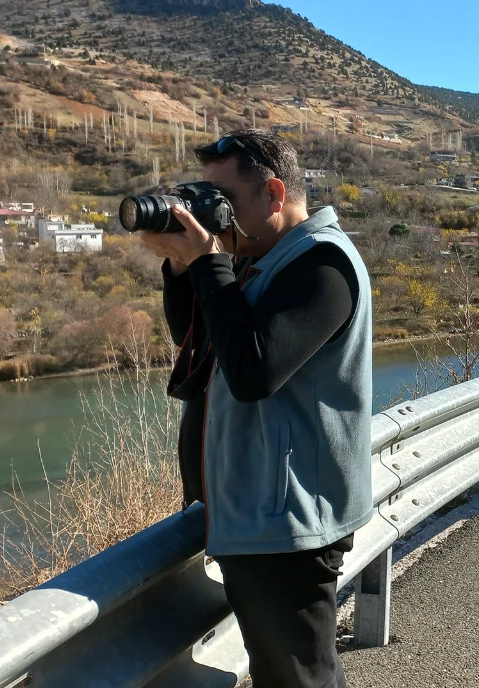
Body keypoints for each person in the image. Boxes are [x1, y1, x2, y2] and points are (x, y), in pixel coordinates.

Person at [142, 130, 372, 688]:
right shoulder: (262, 261)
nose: (219, 220)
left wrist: (210, 263)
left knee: (299, 679)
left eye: (227, 202)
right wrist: (182, 267)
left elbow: (252, 373)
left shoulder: (322, 266)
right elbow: (200, 349)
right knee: (287, 676)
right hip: (256, 517)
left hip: (288, 522)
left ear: (273, 193)